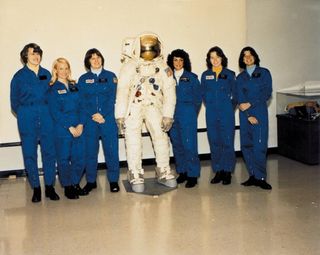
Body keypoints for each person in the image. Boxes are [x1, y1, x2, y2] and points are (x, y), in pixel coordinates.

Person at [115, 32, 177, 193]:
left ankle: (163, 169)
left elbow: (170, 92)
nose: (149, 50)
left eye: (152, 47)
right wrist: (120, 115)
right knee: (133, 139)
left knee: (161, 137)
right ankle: (135, 172)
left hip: (154, 106)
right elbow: (122, 92)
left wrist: (168, 115)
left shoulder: (163, 67)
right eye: (145, 47)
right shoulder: (129, 67)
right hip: (133, 107)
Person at [10, 43, 59, 202]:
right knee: (29, 153)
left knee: (49, 152)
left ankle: (50, 186)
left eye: (38, 53)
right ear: (25, 56)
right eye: (32, 54)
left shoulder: (47, 74)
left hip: (46, 116)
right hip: (27, 116)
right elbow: (14, 102)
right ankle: (36, 188)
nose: (35, 56)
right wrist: (25, 114)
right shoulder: (18, 77)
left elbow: (53, 97)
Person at [78, 49, 120, 193]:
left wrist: (102, 114)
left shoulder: (111, 76)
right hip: (90, 121)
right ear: (88, 62)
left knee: (111, 151)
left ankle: (113, 181)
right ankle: (91, 181)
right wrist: (93, 114)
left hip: (107, 119)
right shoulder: (83, 79)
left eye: (98, 57)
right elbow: (82, 101)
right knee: (90, 152)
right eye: (92, 58)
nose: (96, 60)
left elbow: (112, 98)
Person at [48, 58, 88, 199]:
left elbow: (83, 106)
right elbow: (55, 112)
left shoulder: (74, 86)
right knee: (64, 159)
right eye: (60, 68)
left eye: (66, 68)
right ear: (56, 70)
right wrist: (69, 127)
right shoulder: (52, 88)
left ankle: (75, 182)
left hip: (79, 127)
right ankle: (68, 186)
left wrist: (81, 124)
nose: (64, 71)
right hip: (63, 129)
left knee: (80, 158)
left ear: (69, 70)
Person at [236, 46, 272, 190]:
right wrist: (248, 115)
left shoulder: (264, 73)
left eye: (250, 55)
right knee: (246, 145)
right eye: (245, 56)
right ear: (242, 59)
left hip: (259, 112)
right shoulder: (240, 77)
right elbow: (239, 97)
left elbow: (267, 93)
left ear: (255, 57)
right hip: (245, 115)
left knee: (259, 146)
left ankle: (261, 177)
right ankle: (252, 175)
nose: (248, 57)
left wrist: (251, 104)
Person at [201, 46, 236, 185]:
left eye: (217, 57)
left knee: (227, 141)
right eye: (212, 57)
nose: (215, 60)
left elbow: (236, 95)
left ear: (222, 58)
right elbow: (203, 94)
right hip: (211, 113)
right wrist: (210, 104)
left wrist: (228, 107)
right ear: (209, 60)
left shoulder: (230, 74)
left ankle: (227, 171)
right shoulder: (205, 75)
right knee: (214, 141)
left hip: (226, 112)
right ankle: (218, 170)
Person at [166, 49, 202, 188]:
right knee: (177, 145)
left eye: (181, 60)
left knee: (189, 145)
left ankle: (193, 175)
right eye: (175, 60)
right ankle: (183, 172)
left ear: (185, 62)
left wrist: (191, 113)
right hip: (172, 115)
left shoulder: (192, 77)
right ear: (171, 61)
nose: (178, 63)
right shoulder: (167, 77)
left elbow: (198, 99)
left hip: (187, 114)